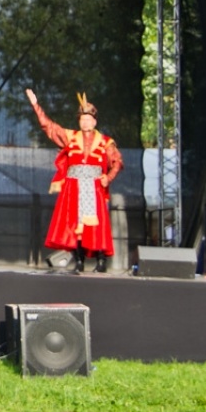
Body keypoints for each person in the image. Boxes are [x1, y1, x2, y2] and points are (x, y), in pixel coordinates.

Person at [27, 88, 123, 273]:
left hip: (94, 186)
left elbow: (117, 162)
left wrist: (108, 177)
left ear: (94, 121)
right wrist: (35, 105)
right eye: (82, 119)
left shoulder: (105, 142)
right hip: (74, 187)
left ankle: (101, 261)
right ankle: (78, 260)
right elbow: (49, 127)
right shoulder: (70, 137)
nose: (85, 122)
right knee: (75, 225)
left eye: (88, 119)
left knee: (96, 226)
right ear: (79, 121)